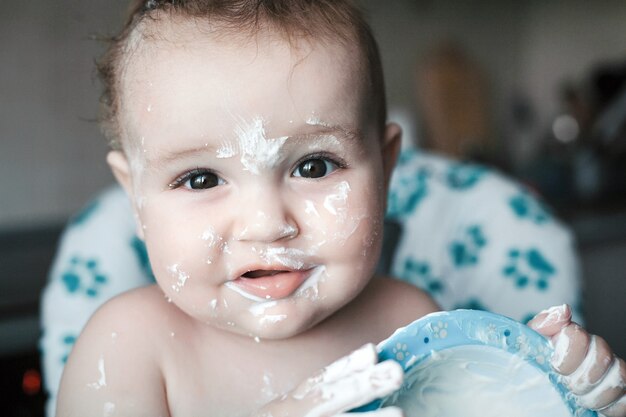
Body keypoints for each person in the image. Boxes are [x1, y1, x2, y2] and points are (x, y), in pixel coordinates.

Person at [52, 1, 625, 416]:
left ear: (386, 165)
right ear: (135, 199)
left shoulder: (410, 322)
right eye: (200, 177)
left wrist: (554, 398)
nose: (267, 224)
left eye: (315, 167)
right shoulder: (128, 348)